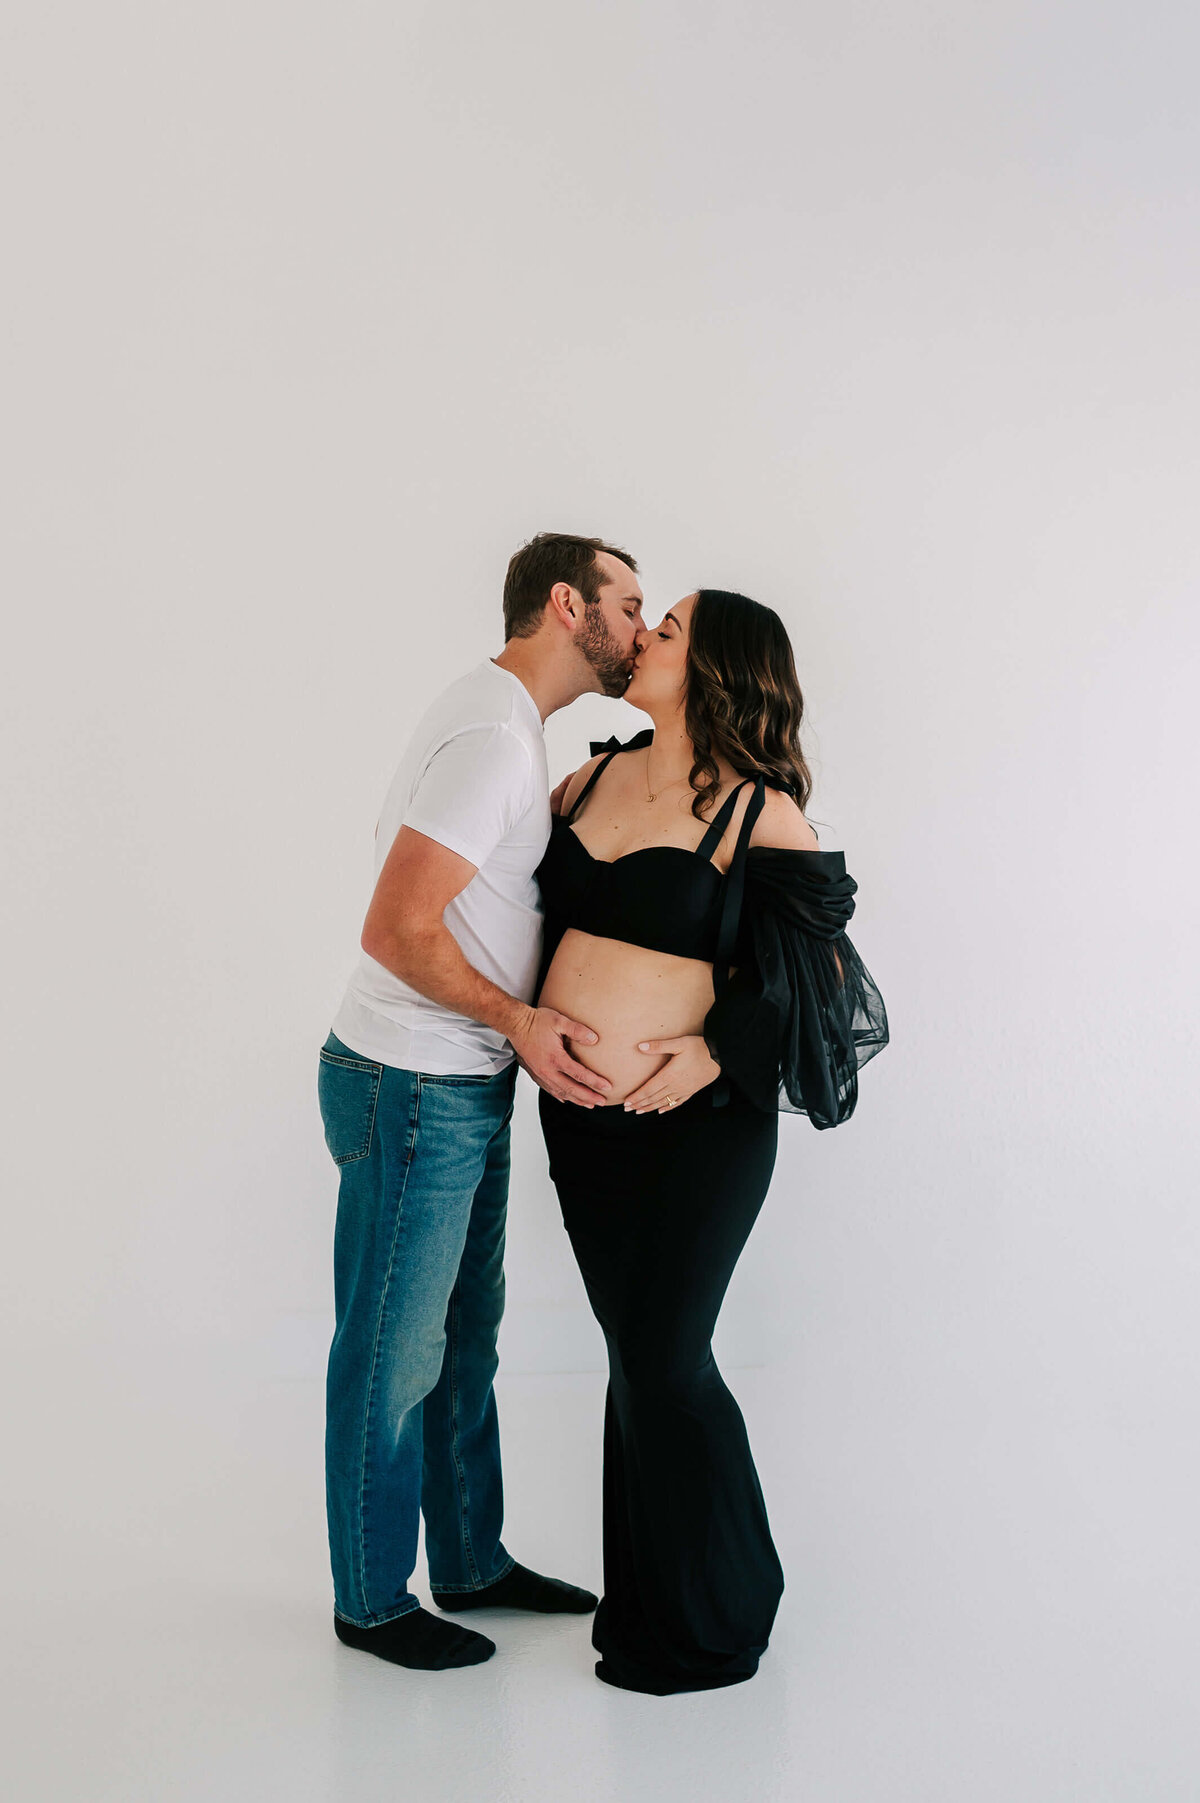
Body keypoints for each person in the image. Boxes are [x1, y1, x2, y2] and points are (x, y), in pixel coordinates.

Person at [534, 588, 889, 1694]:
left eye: (669, 629)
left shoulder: (760, 810)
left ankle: (724, 1608)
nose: (642, 638)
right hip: (579, 1120)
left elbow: (824, 978)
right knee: (635, 1357)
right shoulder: (585, 778)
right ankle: (650, 1599)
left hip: (700, 1132)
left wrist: (715, 1051)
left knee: (667, 1357)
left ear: (718, 665)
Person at [317, 531, 652, 1670]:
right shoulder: (492, 735)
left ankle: (469, 1560)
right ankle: (372, 1602)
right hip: (413, 1079)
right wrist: (517, 1021)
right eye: (629, 602)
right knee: (390, 1353)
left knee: (467, 1337)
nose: (643, 627)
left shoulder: (511, 729)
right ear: (568, 605)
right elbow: (394, 927)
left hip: (458, 1081)